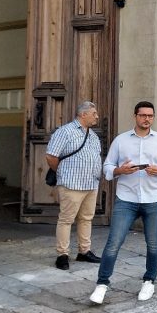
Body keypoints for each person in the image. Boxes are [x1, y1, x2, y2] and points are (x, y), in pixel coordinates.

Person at [90, 101, 157, 304]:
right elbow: (107, 166)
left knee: (153, 244)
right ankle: (102, 284)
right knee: (113, 243)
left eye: (150, 116)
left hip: (153, 199)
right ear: (135, 116)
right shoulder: (121, 140)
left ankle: (149, 281)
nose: (147, 119)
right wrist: (120, 170)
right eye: (143, 115)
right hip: (126, 199)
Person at [45, 101, 103, 270]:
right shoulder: (65, 131)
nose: (97, 116)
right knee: (66, 219)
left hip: (91, 184)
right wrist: (62, 172)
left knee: (86, 218)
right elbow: (51, 156)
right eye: (94, 113)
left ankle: (84, 251)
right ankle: (62, 255)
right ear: (83, 114)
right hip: (72, 184)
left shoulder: (93, 135)